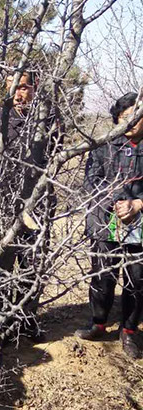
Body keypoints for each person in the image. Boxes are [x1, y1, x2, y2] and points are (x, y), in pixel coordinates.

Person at [0, 69, 60, 342]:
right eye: (13, 86)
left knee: (32, 265)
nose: (19, 93)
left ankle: (26, 319)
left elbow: (56, 161)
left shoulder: (48, 121)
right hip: (2, 207)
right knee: (1, 267)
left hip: (37, 206)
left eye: (24, 87)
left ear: (35, 87)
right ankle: (0, 322)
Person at [75, 92, 143, 359]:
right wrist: (116, 203)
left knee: (137, 279)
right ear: (117, 119)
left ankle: (128, 331)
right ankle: (98, 323)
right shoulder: (105, 145)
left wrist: (137, 205)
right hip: (106, 220)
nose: (132, 122)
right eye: (126, 117)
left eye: (138, 117)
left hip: (139, 222)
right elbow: (92, 181)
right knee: (103, 276)